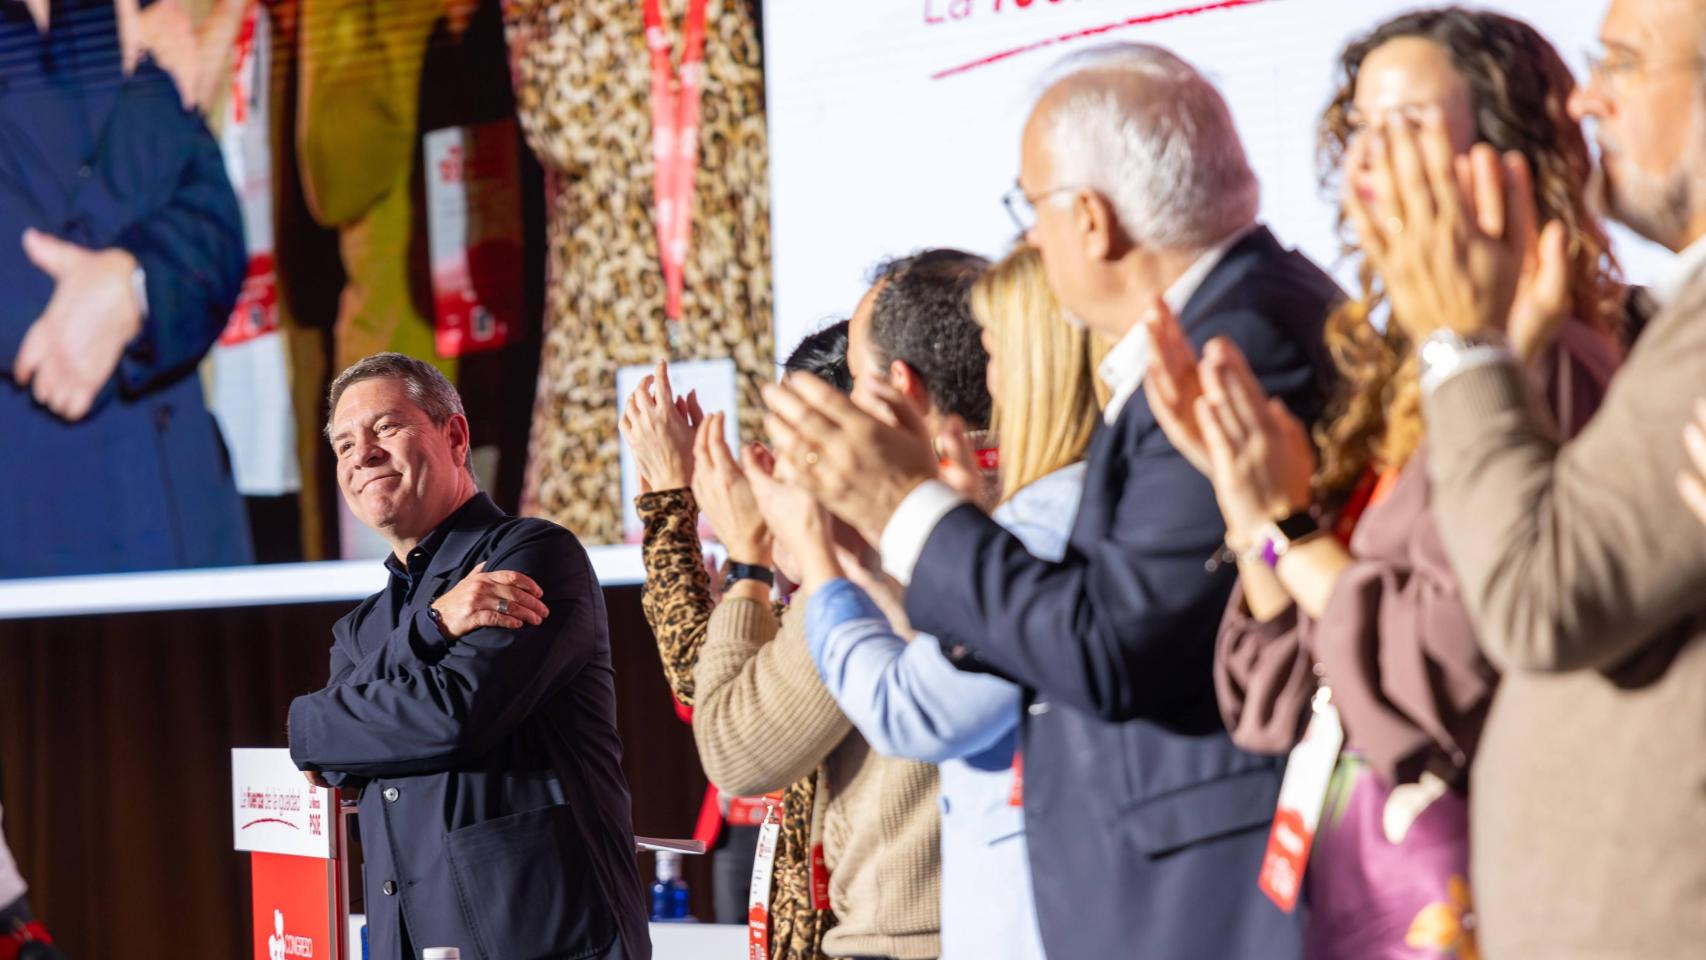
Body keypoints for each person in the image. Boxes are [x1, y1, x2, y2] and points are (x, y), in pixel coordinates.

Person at [760, 44, 1341, 960]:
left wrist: (906, 506)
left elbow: (1117, 642)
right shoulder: (1221, 323)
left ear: (1092, 219)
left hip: (1200, 890)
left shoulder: (1239, 342)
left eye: (1029, 211)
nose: (1028, 241)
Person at [1141, 10, 1621, 958]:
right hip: (1364, 892)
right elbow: (1276, 699)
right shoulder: (1397, 380)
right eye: (1358, 126)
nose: (1367, 159)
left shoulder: (1545, 364)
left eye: (1406, 127)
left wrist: (1289, 530)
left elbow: (1434, 667)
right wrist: (1250, 507)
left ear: (1508, 159)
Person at [1345, 0, 1706, 953]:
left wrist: (1467, 349)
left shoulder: (1558, 359)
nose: (1591, 97)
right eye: (1361, 128)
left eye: (1624, 64)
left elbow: (1526, 604)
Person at [780, 246, 1096, 959]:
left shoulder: (1046, 517)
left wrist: (819, 564)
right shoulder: (1028, 507)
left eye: (856, 381)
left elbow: (909, 709)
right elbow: (950, 656)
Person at [288, 353, 649, 960]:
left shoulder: (531, 554)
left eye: (385, 428)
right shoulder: (360, 628)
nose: (362, 455)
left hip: (539, 939)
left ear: (454, 436)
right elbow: (326, 751)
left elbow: (452, 717)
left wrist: (319, 722)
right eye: (344, 444)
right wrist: (432, 625)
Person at [691, 248, 992, 960]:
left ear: (900, 389)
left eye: (852, 382)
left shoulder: (890, 521)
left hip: (913, 937)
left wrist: (749, 556)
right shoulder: (1062, 482)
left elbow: (738, 748)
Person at [617, 324, 854, 958]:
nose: (769, 466)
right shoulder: (819, 573)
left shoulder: (859, 578)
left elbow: (701, 683)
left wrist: (680, 510)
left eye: (788, 444)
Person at [0, 0, 251, 578]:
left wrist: (134, 284)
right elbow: (34, 287)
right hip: (37, 537)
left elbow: (216, 235)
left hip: (188, 518)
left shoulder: (119, 16)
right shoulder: (142, 49)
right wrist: (153, 103)